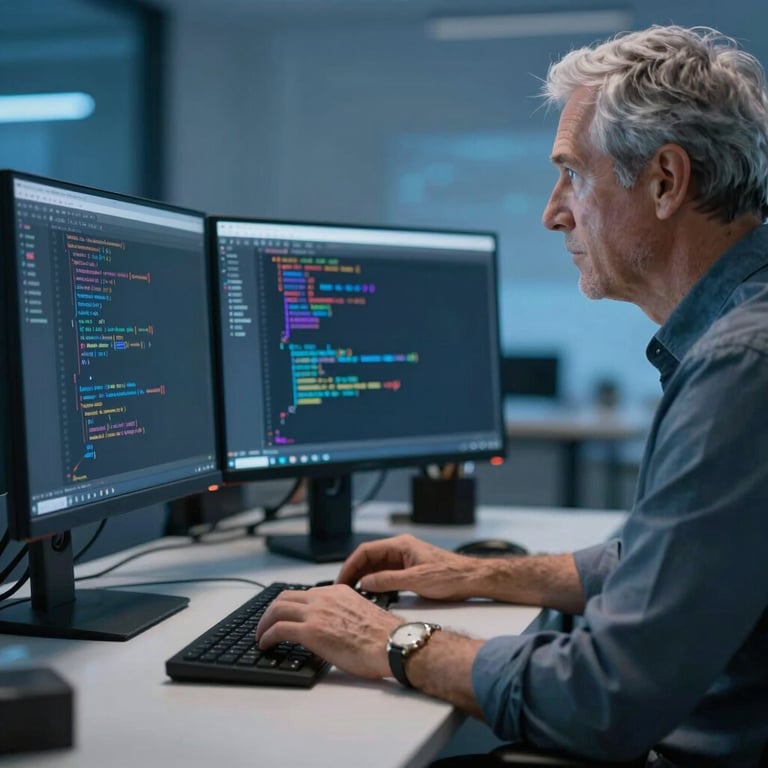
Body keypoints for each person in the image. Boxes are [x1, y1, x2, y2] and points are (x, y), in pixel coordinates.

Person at [256, 25, 768, 767]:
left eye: (573, 175)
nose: (554, 211)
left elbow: (602, 699)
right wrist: (480, 573)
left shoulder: (742, 365)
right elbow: (674, 561)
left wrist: (392, 640)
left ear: (665, 181)